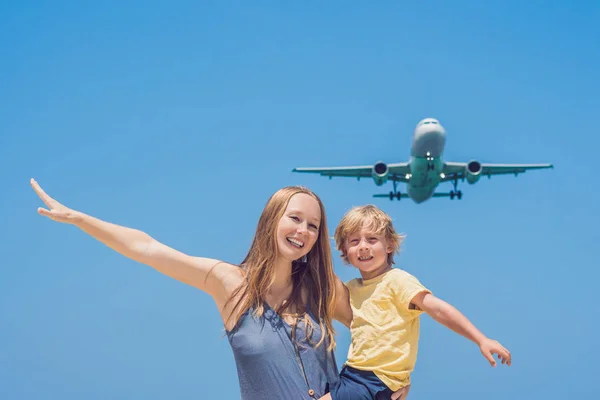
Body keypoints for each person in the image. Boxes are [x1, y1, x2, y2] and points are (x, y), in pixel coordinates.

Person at [30, 179, 408, 400]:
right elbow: (147, 249)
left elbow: (382, 328)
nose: (303, 231)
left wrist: (389, 383)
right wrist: (79, 218)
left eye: (313, 225)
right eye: (295, 219)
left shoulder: (322, 290)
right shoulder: (231, 284)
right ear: (272, 220)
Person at [320, 205, 512, 400]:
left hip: (377, 380)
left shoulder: (397, 281)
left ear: (390, 245)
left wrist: (481, 339)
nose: (363, 246)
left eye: (372, 239)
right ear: (345, 250)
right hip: (353, 374)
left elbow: (437, 309)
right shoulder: (351, 288)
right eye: (354, 241)